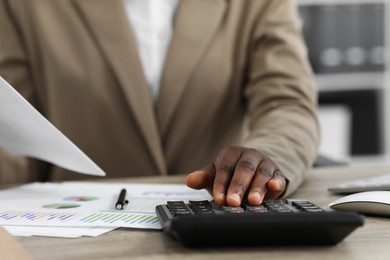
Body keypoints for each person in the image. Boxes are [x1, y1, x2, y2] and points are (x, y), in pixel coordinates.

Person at [0, 0, 319, 206]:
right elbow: (17, 130)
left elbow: (287, 103)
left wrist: (264, 161)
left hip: (214, 218)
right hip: (76, 224)